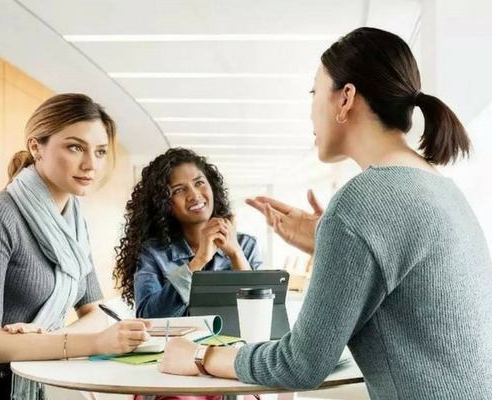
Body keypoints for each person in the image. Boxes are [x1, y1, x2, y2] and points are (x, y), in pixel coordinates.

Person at [157, 27, 492, 400]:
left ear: (345, 98)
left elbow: (300, 364)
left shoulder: (364, 200)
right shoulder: (438, 186)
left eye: (314, 92)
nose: (311, 109)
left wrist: (201, 355)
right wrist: (327, 242)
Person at [0, 94, 151, 400]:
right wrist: (97, 342)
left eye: (99, 152)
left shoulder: (73, 224)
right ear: (36, 147)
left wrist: (48, 337)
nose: (90, 164)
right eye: (75, 147)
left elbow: (96, 312)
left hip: (29, 383)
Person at [114, 148, 262, 318]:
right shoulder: (154, 253)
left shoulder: (245, 245)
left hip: (236, 345)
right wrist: (198, 262)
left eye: (199, 183)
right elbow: (148, 317)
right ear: (164, 203)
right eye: (178, 190)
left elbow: (259, 316)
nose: (194, 195)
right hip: (178, 345)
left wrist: (236, 254)